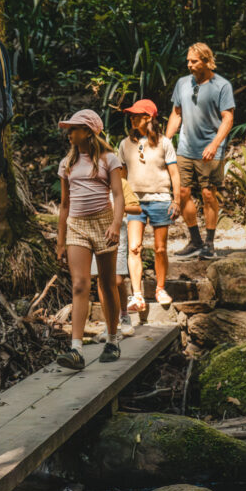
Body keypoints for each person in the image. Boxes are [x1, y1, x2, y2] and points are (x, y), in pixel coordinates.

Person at [56, 110, 124, 368]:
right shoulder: (67, 163)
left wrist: (116, 225)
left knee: (107, 284)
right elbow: (64, 204)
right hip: (76, 226)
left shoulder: (109, 159)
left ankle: (113, 340)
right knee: (80, 284)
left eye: (73, 128)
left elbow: (118, 195)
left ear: (88, 131)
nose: (69, 133)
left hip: (104, 223)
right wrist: (60, 242)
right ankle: (76, 349)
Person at [166, 43, 235, 260]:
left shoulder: (221, 85)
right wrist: (166, 141)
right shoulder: (182, 84)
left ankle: (209, 243)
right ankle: (195, 240)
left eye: (194, 61)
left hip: (210, 148)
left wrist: (214, 144)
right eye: (188, 61)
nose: (189, 65)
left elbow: (228, 118)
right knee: (183, 193)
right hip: (185, 147)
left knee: (207, 194)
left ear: (206, 61)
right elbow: (176, 114)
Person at [118, 99, 181, 316]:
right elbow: (122, 176)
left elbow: (174, 173)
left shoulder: (164, 143)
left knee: (160, 248)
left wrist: (177, 200)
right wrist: (120, 201)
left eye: (137, 115)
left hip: (161, 199)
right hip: (134, 202)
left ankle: (160, 288)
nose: (132, 118)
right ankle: (137, 295)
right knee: (134, 247)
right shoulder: (125, 144)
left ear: (149, 118)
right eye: (132, 115)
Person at [91, 172, 141, 340]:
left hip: (118, 231)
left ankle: (124, 315)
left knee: (117, 279)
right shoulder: (90, 182)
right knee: (101, 279)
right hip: (95, 231)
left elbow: (136, 207)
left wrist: (117, 207)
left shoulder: (120, 183)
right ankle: (109, 325)